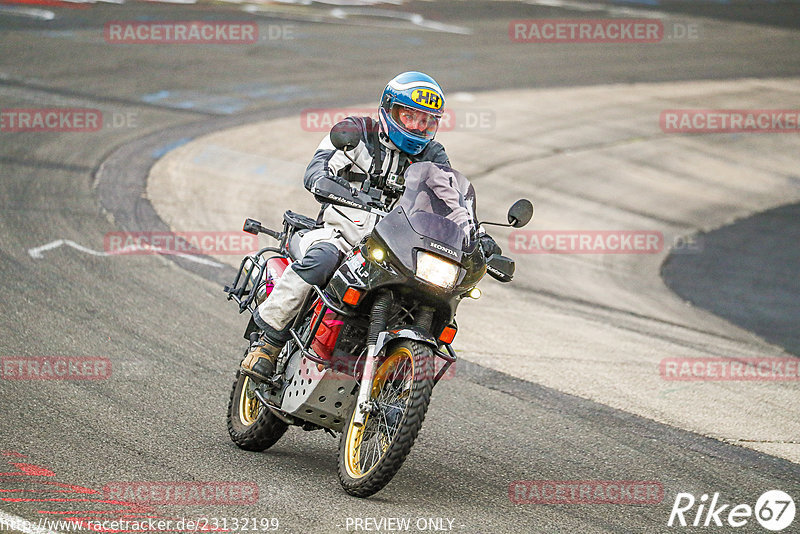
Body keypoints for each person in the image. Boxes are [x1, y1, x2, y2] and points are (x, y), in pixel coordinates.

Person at [241, 71, 497, 382]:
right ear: (389, 110)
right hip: (339, 234)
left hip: (393, 247)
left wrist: (476, 234)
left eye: (427, 121)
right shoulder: (356, 131)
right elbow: (318, 169)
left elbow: (451, 200)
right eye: (411, 116)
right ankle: (268, 344)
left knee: (430, 290)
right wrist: (328, 183)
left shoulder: (433, 155)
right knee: (322, 259)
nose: (418, 127)